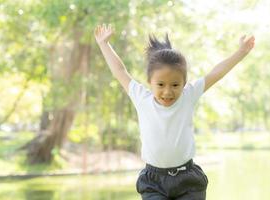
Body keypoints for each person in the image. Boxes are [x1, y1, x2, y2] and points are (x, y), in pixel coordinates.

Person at [94, 23, 255, 200]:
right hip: (154, 183)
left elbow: (215, 73)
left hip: (188, 181)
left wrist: (241, 52)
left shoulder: (188, 96)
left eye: (175, 85)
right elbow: (119, 71)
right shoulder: (142, 98)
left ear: (184, 83)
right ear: (150, 81)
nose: (168, 92)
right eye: (161, 85)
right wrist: (104, 44)